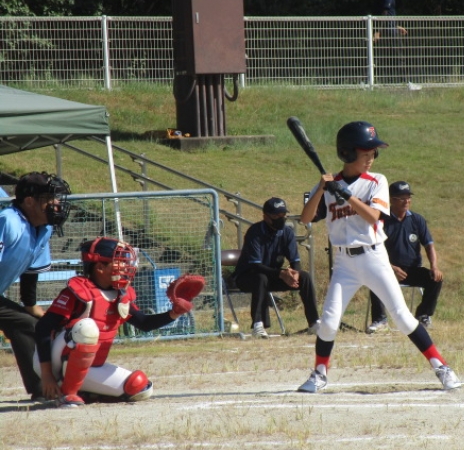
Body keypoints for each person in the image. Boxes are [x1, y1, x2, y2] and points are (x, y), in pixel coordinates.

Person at [297, 121, 461, 393]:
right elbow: (305, 218)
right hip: (344, 263)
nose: (371, 157)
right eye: (366, 153)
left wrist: (346, 195)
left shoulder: (377, 181)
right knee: (328, 322)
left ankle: (442, 367)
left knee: (402, 317)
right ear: (348, 153)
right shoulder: (330, 185)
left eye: (373, 153)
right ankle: (319, 374)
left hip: (373, 257)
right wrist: (322, 189)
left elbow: (374, 216)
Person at [33, 237, 204, 407]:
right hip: (55, 362)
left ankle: (83, 392)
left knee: (140, 387)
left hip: (89, 366)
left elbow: (144, 323)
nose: (125, 266)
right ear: (100, 267)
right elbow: (43, 328)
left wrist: (173, 314)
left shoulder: (120, 294)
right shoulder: (79, 291)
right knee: (87, 327)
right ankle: (67, 394)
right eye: (119, 262)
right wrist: (47, 375)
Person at [0, 172, 71, 402]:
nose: (57, 204)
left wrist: (30, 306)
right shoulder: (7, 221)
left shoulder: (43, 228)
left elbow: (31, 271)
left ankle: (45, 387)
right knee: (26, 324)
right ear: (29, 201)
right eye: (49, 198)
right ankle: (42, 388)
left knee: (31, 322)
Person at [232, 197, 319, 338]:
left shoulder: (287, 232)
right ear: (265, 216)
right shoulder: (255, 232)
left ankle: (314, 323)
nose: (281, 218)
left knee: (305, 277)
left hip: (273, 276)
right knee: (261, 278)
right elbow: (255, 266)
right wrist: (281, 273)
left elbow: (295, 261)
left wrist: (295, 274)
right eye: (276, 215)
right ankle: (258, 325)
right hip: (248, 276)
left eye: (283, 215)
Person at [367, 180, 443, 333]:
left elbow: (429, 245)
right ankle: (380, 320)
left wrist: (434, 267)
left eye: (408, 197)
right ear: (391, 200)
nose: (406, 201)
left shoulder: (417, 220)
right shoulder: (381, 220)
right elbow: (371, 250)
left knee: (435, 279)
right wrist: (391, 268)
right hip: (387, 269)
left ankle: (423, 316)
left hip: (412, 270)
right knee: (374, 278)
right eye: (401, 198)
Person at [373, 0, 409, 84]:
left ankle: (390, 80)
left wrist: (396, 26)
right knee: (399, 57)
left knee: (390, 56)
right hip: (389, 31)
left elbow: (389, 16)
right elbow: (385, 13)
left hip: (390, 29)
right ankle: (404, 81)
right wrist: (378, 31)